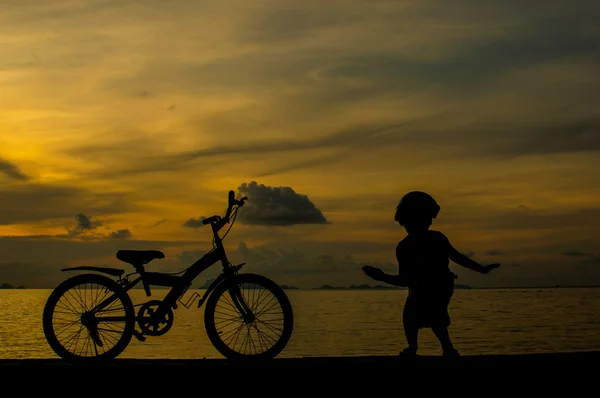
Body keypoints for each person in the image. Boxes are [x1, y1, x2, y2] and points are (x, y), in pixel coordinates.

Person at [362, 191, 500, 357]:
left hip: (440, 285)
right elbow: (406, 279)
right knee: (414, 314)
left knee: (433, 314)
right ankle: (422, 346)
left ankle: (441, 347)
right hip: (421, 286)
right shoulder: (405, 246)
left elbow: (457, 257)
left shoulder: (436, 239)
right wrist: (382, 276)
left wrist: (481, 269)